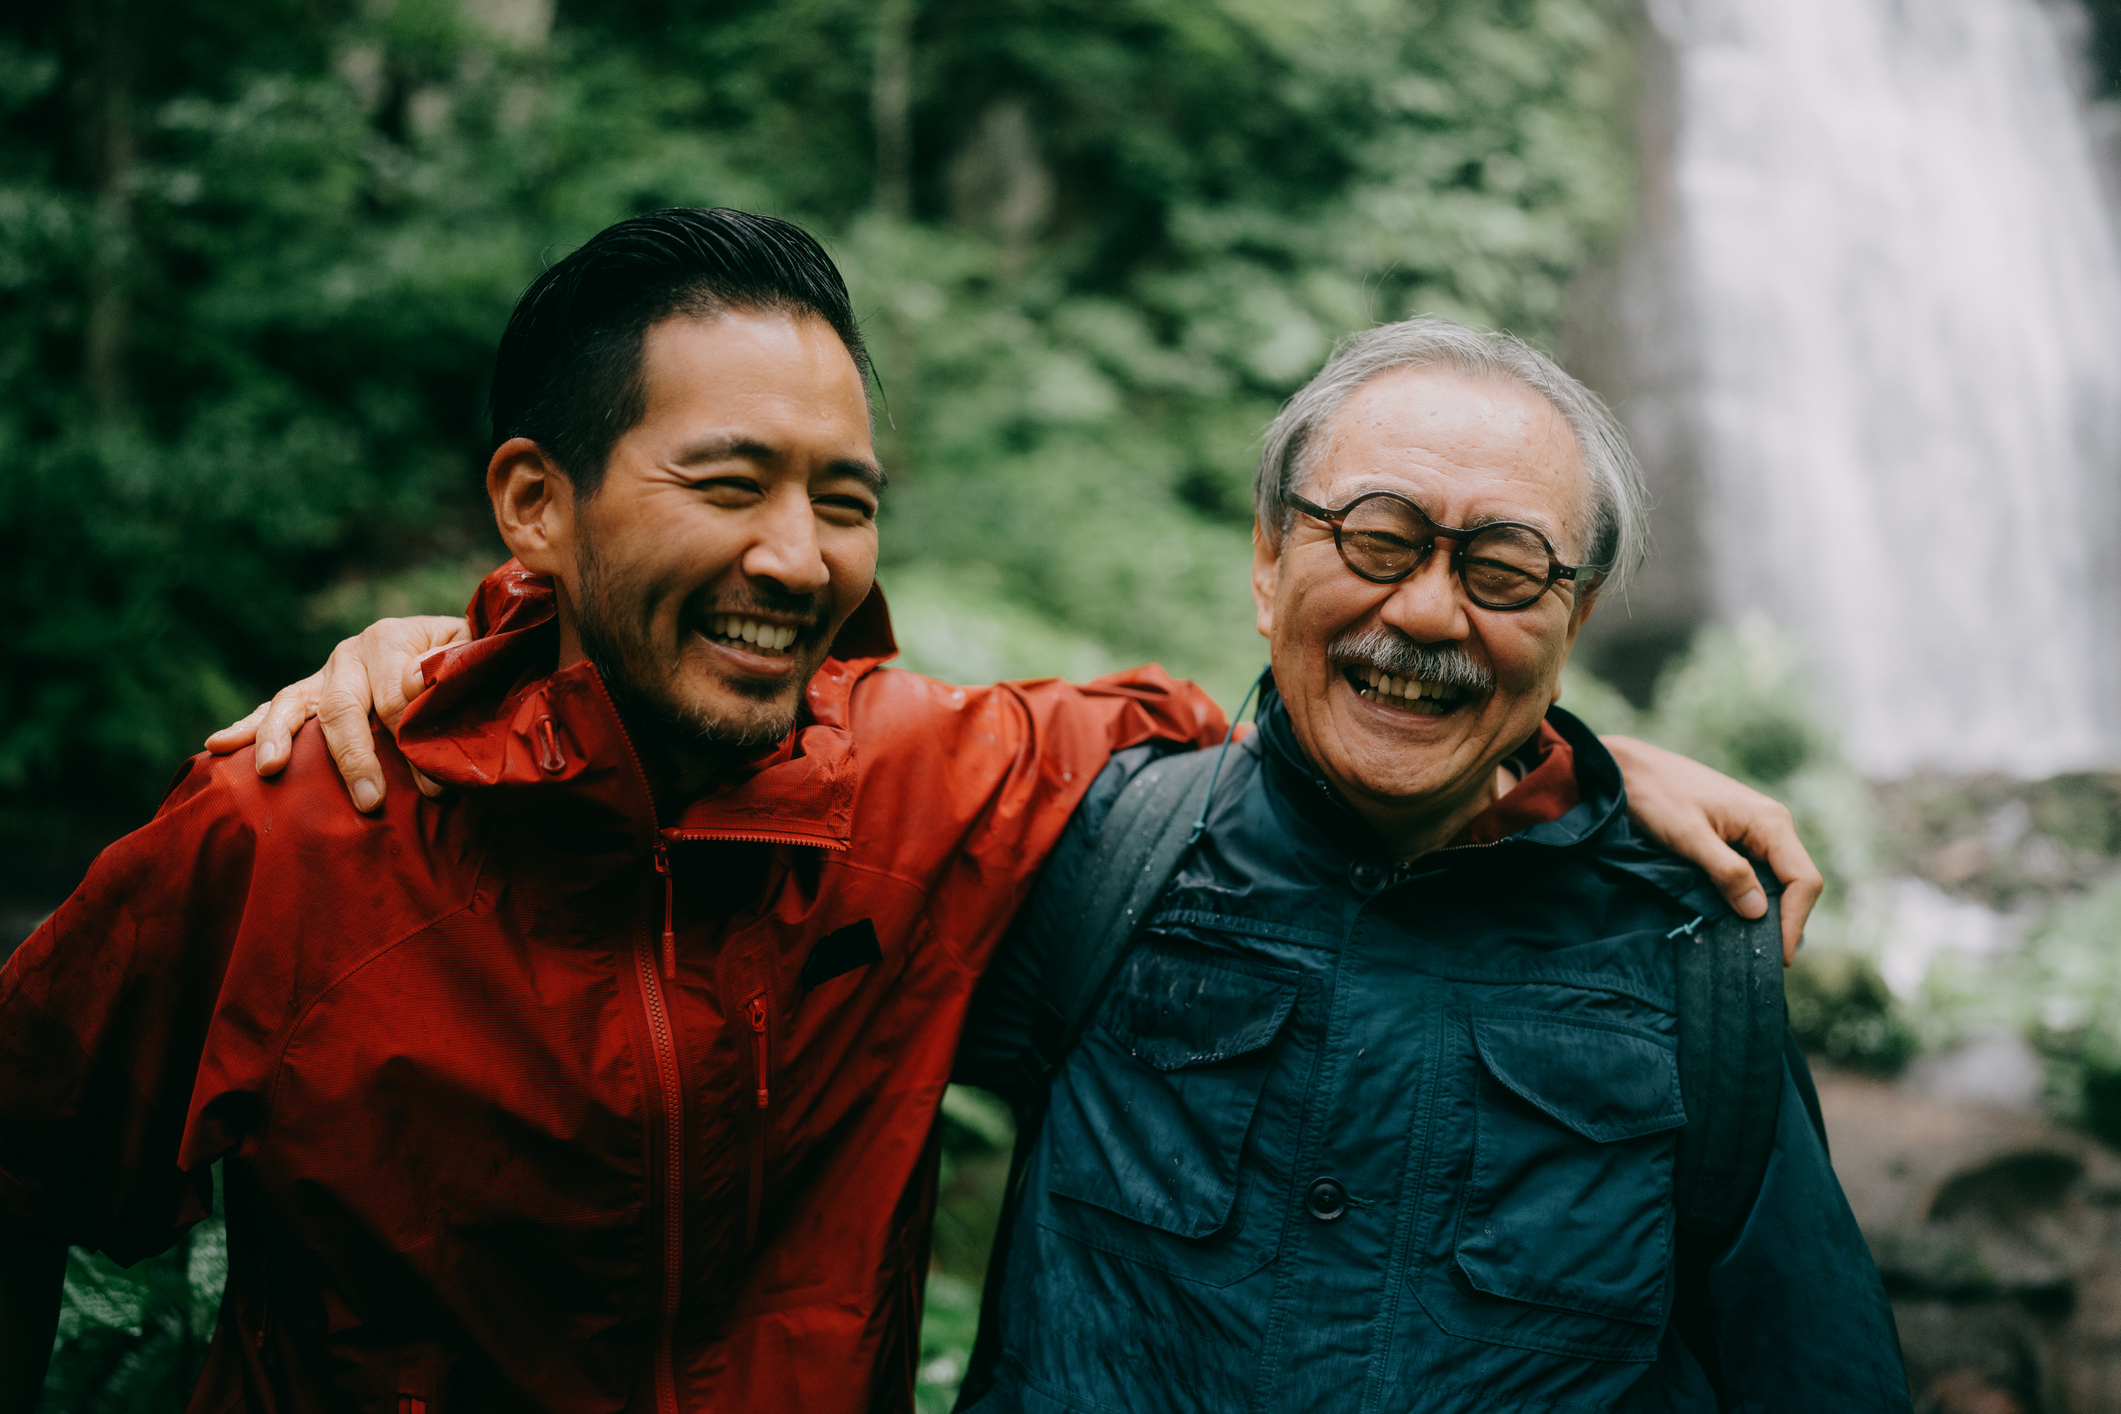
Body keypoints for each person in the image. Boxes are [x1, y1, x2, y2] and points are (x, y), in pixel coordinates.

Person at [0, 207, 1819, 1413]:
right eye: (729, 482)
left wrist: (1561, 759)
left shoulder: (930, 784)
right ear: (535, 503)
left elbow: (1259, 729)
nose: (794, 555)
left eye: (844, 497)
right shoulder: (301, 818)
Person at [950, 320, 1908, 1412]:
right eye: (1375, 536)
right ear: (1268, 561)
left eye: (1504, 571)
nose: (1425, 610)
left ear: (1572, 621)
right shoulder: (1093, 858)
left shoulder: (1690, 957)